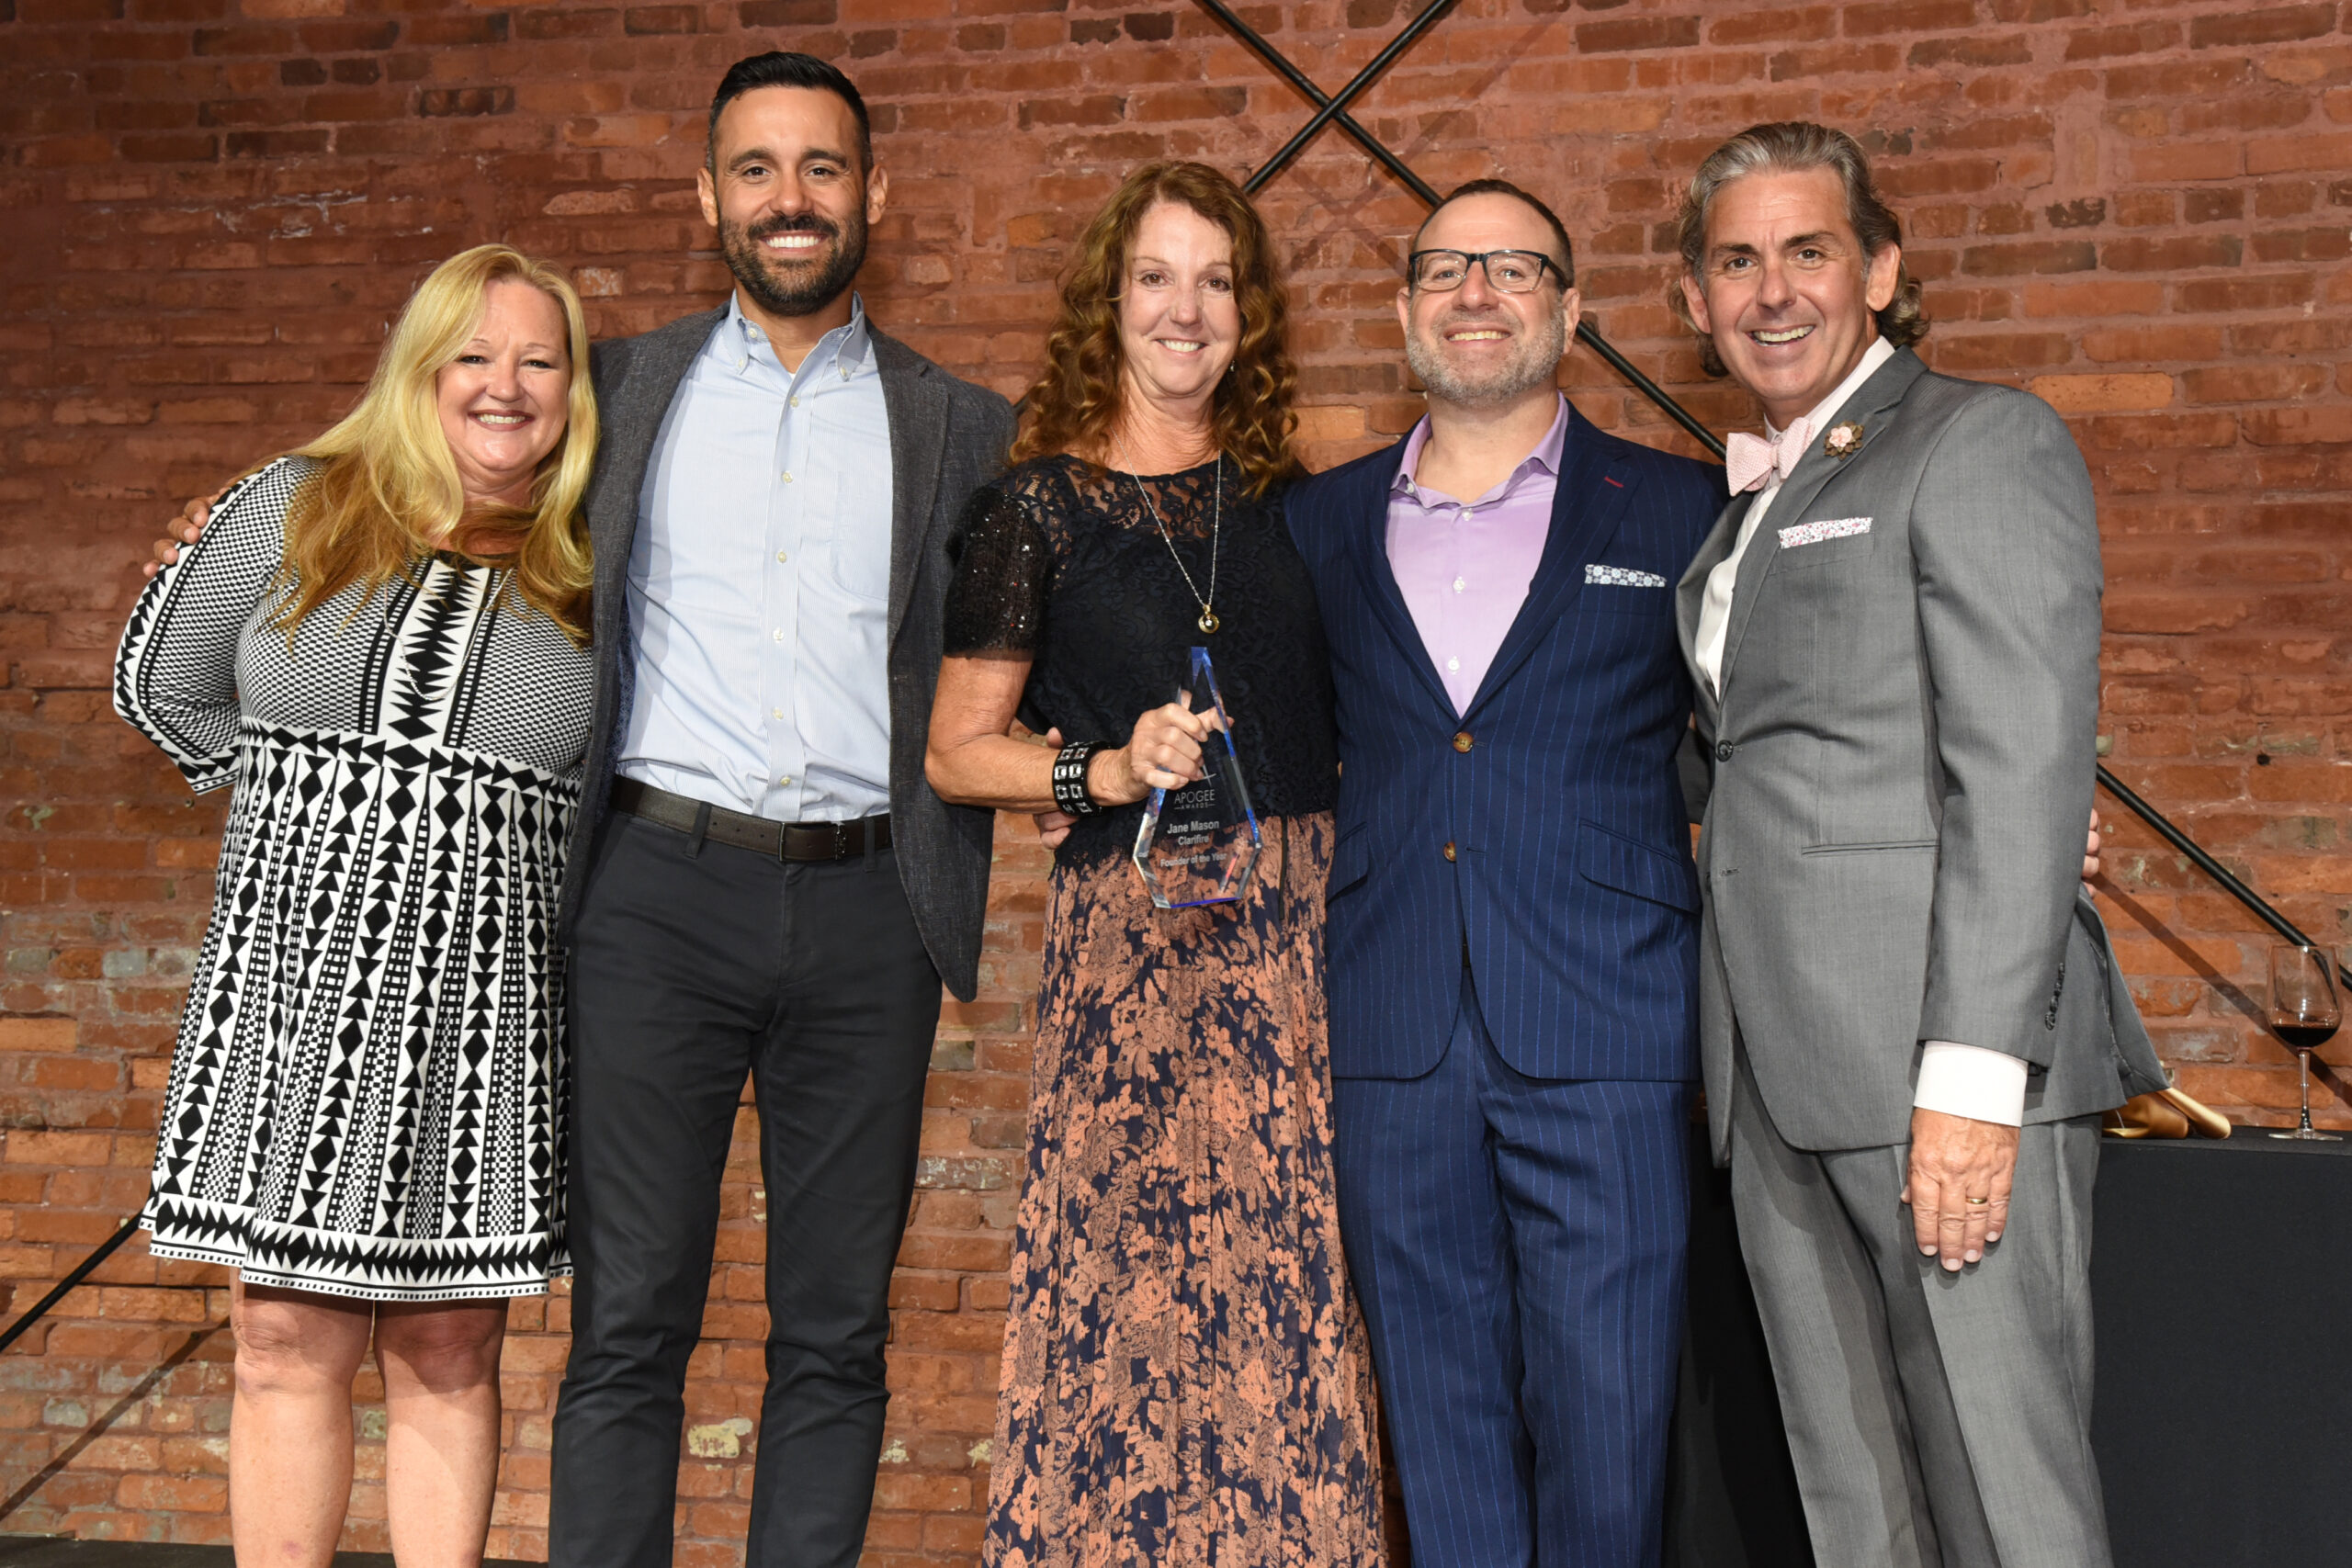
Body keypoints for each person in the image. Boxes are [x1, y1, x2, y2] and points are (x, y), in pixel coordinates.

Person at [152, 49, 1014, 1568]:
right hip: (653, 896)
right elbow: (428, 473)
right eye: (756, 168)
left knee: (836, 1330)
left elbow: (1024, 633)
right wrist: (237, 559)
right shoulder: (614, 389)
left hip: (873, 904)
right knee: (629, 1321)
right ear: (708, 197)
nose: (791, 197)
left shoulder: (965, 429)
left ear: (874, 193)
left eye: (822, 167)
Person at [1668, 121, 2165, 1568]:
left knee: (2006, 1502)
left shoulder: (1979, 441)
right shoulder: (1750, 503)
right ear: (1694, 297)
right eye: (1736, 261)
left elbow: (2021, 765)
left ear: (1879, 268)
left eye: (1808, 251)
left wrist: (1972, 1081)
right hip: (1773, 1075)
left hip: (1937, 1074)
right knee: (1860, 1511)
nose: (1772, 291)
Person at [924, 161, 1385, 1568]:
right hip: (1136, 951)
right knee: (1131, 1296)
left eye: (1215, 281)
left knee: (1291, 1286)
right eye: (1155, 278)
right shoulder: (1035, 513)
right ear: (1108, 304)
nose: (1185, 309)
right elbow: (958, 753)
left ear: (1249, 313)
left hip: (1302, 945)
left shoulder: (1302, 511)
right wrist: (1104, 773)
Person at [116, 243, 598, 1568]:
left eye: (540, 361)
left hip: (484, 1012)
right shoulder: (294, 506)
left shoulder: (598, 568)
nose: (505, 385)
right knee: (281, 1337)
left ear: (573, 392)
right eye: (473, 356)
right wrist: (315, 820)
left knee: (450, 1347)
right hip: (290, 988)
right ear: (417, 371)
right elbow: (162, 684)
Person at [1283, 184, 1722, 1567]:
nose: (1477, 292)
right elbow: (1271, 746)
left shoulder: (1684, 507)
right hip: (1392, 1023)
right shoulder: (1318, 523)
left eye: (1515, 268)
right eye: (1445, 268)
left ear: (1570, 311)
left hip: (1608, 1025)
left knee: (1610, 1426)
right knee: (1438, 1427)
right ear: (1405, 307)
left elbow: (1780, 732)